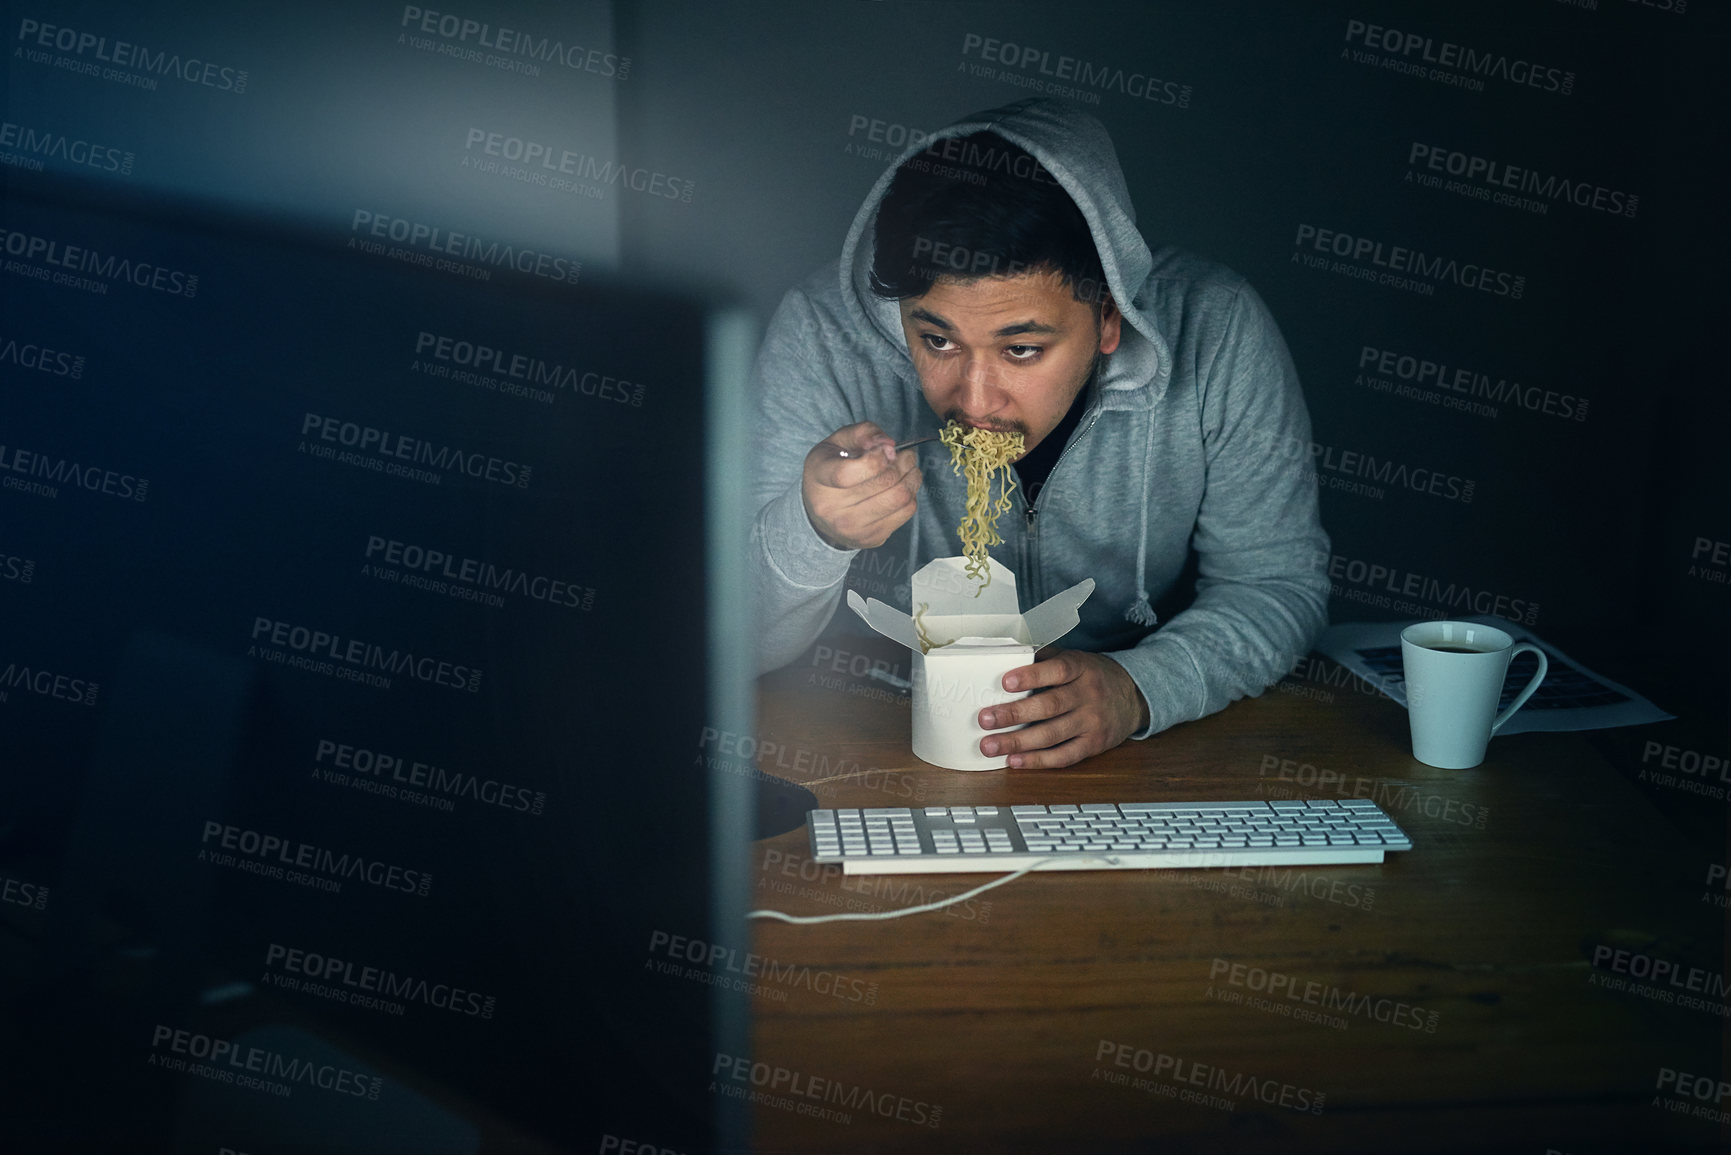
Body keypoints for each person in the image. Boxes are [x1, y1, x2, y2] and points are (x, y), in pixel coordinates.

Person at [750, 98, 1329, 769]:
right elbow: (735, 641)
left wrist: (1141, 687)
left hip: (1128, 750)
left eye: (1021, 348)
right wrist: (813, 529)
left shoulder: (1218, 328)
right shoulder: (823, 334)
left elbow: (1276, 582)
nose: (973, 400)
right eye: (935, 339)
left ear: (1109, 318)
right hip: (869, 729)